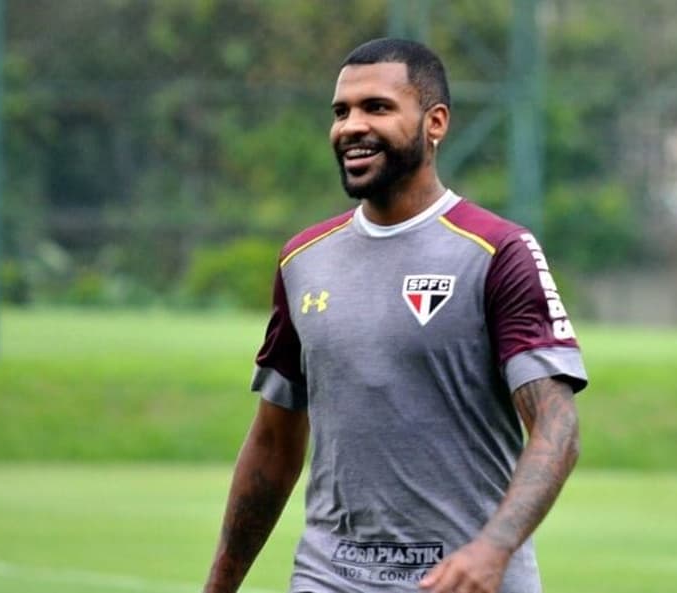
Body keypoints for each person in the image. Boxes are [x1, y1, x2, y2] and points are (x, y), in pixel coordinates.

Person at [202, 37, 588, 593]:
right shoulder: (303, 261)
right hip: (328, 577)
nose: (351, 126)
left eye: (377, 108)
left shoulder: (498, 252)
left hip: (465, 581)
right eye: (341, 111)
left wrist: (493, 549)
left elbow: (557, 427)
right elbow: (273, 443)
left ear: (436, 123)